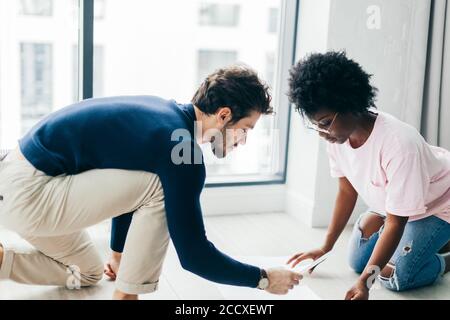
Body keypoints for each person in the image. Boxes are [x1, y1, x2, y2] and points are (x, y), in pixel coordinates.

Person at [0, 65, 301, 300]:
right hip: (31, 195)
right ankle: (127, 294)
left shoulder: (162, 112)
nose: (243, 141)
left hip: (14, 179)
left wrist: (118, 253)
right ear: (224, 115)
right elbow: (195, 255)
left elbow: (122, 178)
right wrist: (263, 279)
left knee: (86, 273)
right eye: (245, 129)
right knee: (161, 186)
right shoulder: (182, 151)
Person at [286, 51, 450, 300]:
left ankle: (444, 259)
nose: (322, 132)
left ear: (350, 104)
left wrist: (366, 283)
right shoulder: (337, 137)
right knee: (357, 261)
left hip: (438, 204)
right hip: (395, 205)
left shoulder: (398, 143)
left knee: (393, 277)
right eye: (316, 124)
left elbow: (397, 222)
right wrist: (325, 247)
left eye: (326, 122)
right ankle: (424, 245)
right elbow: (346, 191)